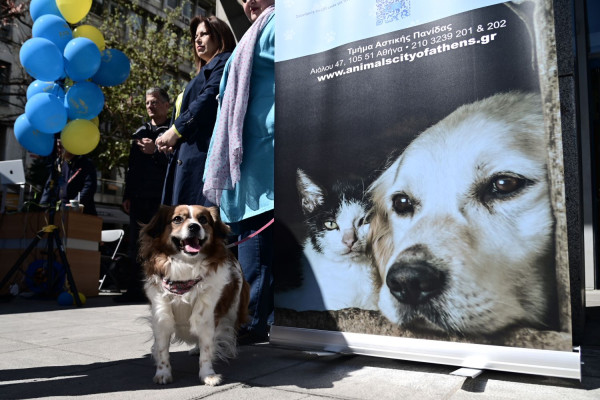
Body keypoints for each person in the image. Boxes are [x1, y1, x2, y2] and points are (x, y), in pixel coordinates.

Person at [203, 0, 275, 344]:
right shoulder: (251, 37)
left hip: (263, 160)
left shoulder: (276, 25)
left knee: (256, 252)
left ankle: (253, 322)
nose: (248, 3)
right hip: (243, 168)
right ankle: (250, 318)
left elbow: (302, 75)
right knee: (246, 252)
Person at [155, 15, 236, 207]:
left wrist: (175, 131)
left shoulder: (225, 63)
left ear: (220, 36)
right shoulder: (204, 71)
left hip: (203, 160)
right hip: (187, 160)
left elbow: (208, 100)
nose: (197, 40)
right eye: (195, 36)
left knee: (197, 226)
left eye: (204, 34)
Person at [116, 87, 170, 302]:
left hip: (162, 198)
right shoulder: (140, 133)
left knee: (162, 245)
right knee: (136, 246)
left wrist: (155, 151)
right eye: (148, 102)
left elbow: (175, 165)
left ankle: (161, 291)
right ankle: (134, 291)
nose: (150, 106)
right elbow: (131, 168)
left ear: (167, 104)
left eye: (155, 101)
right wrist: (127, 195)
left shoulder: (173, 132)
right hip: (139, 198)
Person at [40, 138, 97, 216]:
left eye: (61, 147)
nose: (59, 150)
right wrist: (43, 205)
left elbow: (90, 187)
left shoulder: (86, 164)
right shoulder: (59, 164)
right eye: (58, 147)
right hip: (61, 213)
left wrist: (75, 204)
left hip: (83, 214)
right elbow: (50, 186)